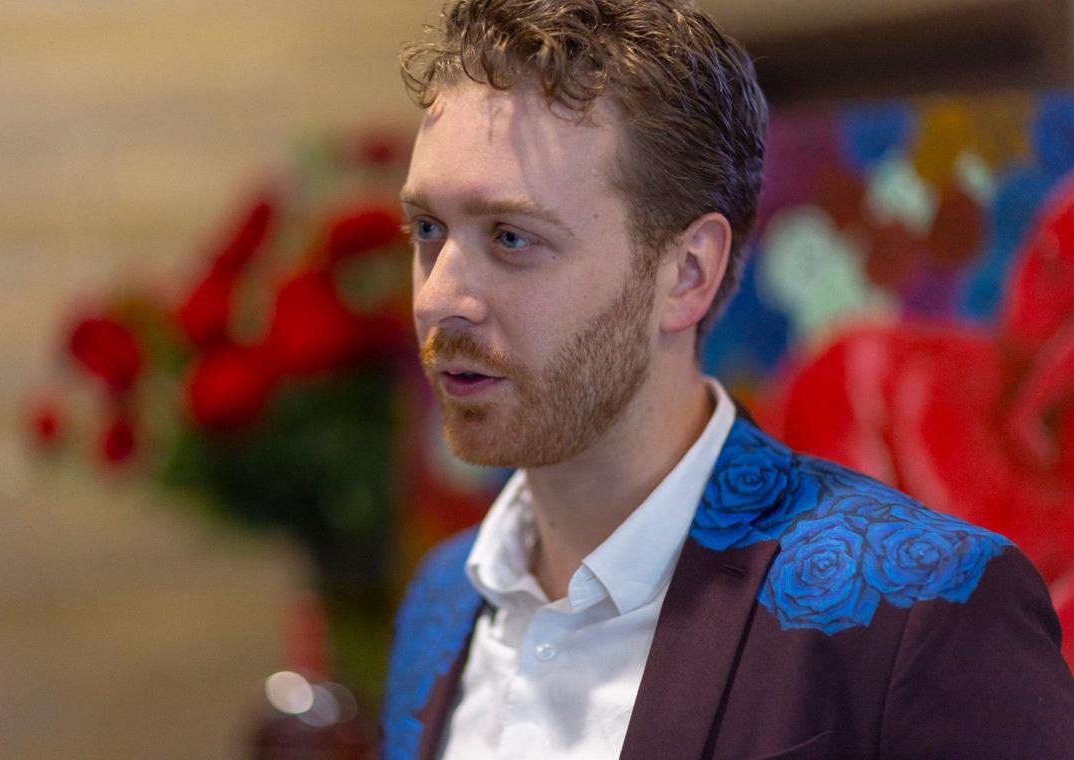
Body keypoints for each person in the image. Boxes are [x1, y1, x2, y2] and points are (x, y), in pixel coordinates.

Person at [381, 1, 1074, 757]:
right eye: (427, 230)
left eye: (512, 237)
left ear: (688, 273)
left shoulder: (925, 609)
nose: (437, 298)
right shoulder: (443, 600)